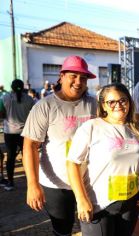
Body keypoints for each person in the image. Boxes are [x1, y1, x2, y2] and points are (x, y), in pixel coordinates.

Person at [22, 55, 97, 236]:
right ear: (61, 76)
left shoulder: (94, 104)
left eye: (83, 78)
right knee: (63, 230)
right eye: (73, 75)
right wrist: (32, 184)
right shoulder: (45, 106)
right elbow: (30, 146)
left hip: (89, 180)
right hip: (57, 184)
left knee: (93, 225)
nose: (78, 82)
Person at [66, 83, 139, 236]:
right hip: (99, 203)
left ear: (129, 102)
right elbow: (72, 163)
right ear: (103, 106)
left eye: (123, 100)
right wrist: (81, 199)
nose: (118, 105)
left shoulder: (138, 129)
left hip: (130, 200)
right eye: (111, 102)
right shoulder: (91, 127)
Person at [0, 79, 34, 191]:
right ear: (22, 86)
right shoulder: (29, 99)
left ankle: (10, 182)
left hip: (10, 132)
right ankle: (31, 182)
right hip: (25, 132)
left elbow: (1, 113)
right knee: (27, 156)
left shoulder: (5, 97)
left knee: (10, 158)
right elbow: (33, 114)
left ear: (12, 87)